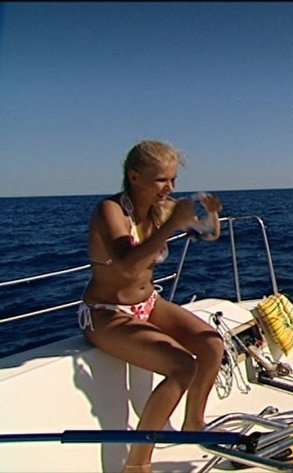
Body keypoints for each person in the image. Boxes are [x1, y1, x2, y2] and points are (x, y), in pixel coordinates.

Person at [77, 140, 225, 473]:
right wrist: (173, 224)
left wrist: (211, 214)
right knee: (181, 366)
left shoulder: (165, 208)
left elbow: (208, 234)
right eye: (161, 180)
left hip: (148, 302)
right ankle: (137, 463)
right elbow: (127, 266)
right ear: (135, 176)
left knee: (212, 344)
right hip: (106, 313)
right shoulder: (109, 211)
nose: (169, 188)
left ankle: (194, 423)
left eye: (172, 180)